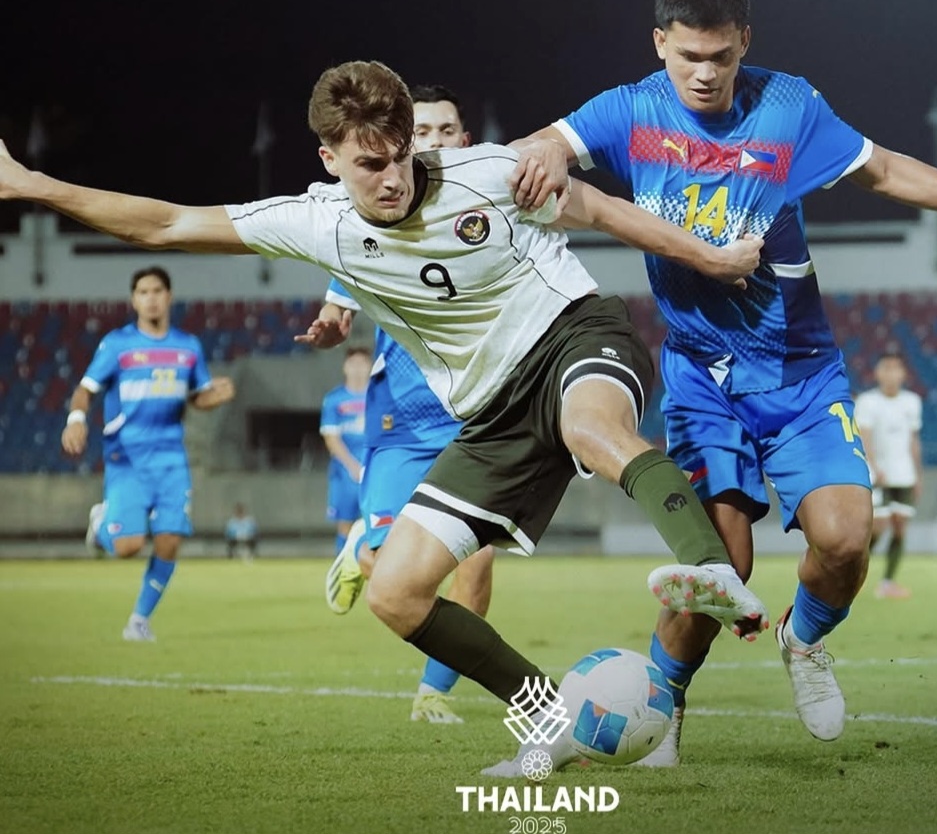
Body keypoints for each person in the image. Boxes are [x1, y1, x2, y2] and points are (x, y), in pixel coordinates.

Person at [0, 58, 770, 775]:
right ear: (330, 158)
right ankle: (547, 717)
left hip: (574, 334)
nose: (394, 176)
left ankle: (706, 569)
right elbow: (165, 225)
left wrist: (712, 258)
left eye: (402, 153)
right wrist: (36, 186)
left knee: (590, 428)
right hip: (491, 412)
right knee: (393, 592)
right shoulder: (317, 222)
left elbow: (600, 208)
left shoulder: (489, 172)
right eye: (371, 163)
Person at [509, 0, 937, 757]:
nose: (705, 75)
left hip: (800, 372)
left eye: (721, 57)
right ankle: (661, 704)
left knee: (847, 537)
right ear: (659, 42)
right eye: (688, 57)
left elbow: (880, 169)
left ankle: (802, 643)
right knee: (721, 559)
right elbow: (545, 145)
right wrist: (540, 153)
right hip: (703, 377)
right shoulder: (627, 111)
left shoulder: (788, 105)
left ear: (744, 41)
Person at [307, 84, 495, 725]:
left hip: (475, 422)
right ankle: (363, 541)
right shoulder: (379, 219)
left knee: (477, 565)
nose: (437, 142)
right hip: (401, 420)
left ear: (465, 142)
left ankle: (433, 694)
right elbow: (342, 282)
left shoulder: (488, 214)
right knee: (391, 569)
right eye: (426, 133)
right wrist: (333, 313)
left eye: (448, 131)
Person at [61, 266, 235, 641]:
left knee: (170, 539)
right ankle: (102, 523)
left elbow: (196, 397)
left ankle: (138, 621)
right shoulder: (117, 345)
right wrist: (76, 419)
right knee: (127, 547)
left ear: (169, 296)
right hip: (128, 456)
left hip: (171, 456)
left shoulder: (188, 347)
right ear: (133, 300)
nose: (151, 297)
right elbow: (85, 390)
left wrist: (214, 397)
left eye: (157, 290)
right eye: (143, 291)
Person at [855, 353, 923, 599]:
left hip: (903, 474)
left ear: (903, 374)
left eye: (896, 368)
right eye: (887, 368)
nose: (892, 373)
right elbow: (864, 435)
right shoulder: (868, 401)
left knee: (900, 528)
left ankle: (887, 583)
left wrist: (918, 474)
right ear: (878, 373)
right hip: (878, 475)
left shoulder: (912, 402)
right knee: (877, 527)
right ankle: (852, 571)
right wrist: (874, 466)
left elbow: (913, 440)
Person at [320, 345, 372, 554]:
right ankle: (344, 572)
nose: (358, 369)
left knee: (380, 522)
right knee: (345, 525)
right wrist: (352, 466)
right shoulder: (334, 399)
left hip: (375, 467)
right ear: (345, 367)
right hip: (345, 472)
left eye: (363, 363)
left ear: (370, 367)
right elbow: (331, 438)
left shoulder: (380, 397)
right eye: (353, 363)